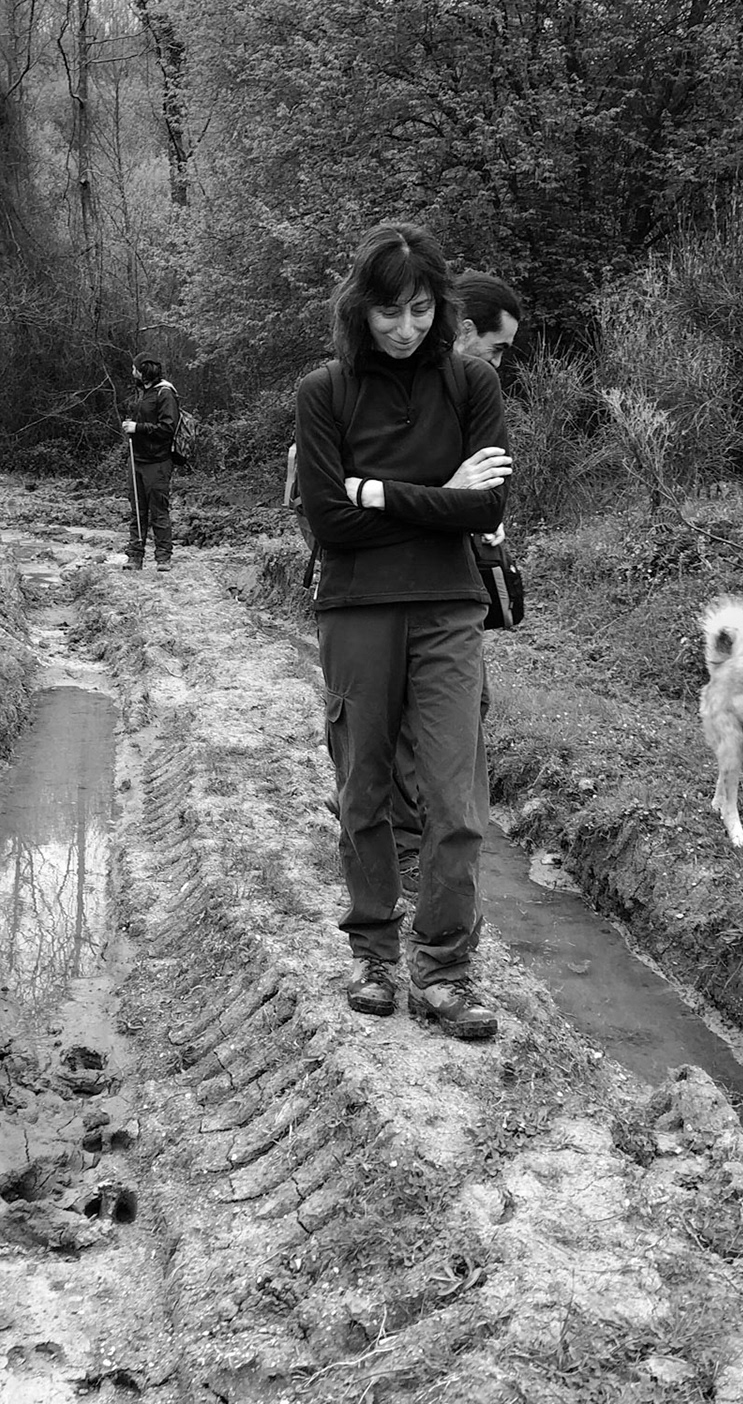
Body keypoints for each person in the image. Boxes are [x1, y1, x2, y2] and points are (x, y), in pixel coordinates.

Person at [295, 221, 513, 1041]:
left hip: (450, 609)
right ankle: (374, 956)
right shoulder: (324, 393)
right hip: (355, 611)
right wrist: (437, 493)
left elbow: (485, 508)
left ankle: (445, 969)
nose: (406, 327)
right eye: (389, 311)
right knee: (366, 790)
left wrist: (377, 493)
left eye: (420, 309)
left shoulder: (470, 386)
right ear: (361, 308)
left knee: (458, 801)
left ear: (440, 307)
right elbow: (328, 521)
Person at [388, 270, 524, 899]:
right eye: (496, 347)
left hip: (450, 580)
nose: (499, 363)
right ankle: (412, 851)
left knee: (460, 714)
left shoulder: (472, 391)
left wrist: (477, 516)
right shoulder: (405, 387)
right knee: (414, 722)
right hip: (398, 586)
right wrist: (451, 498)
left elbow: (484, 499)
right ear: (467, 331)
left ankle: (431, 855)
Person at [121, 354, 179, 571]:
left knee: (159, 510)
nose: (132, 373)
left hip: (158, 461)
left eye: (134, 369)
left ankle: (163, 558)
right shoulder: (143, 392)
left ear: (144, 371)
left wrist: (138, 428)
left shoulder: (166, 393)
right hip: (136, 459)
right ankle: (135, 557)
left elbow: (167, 429)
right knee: (137, 510)